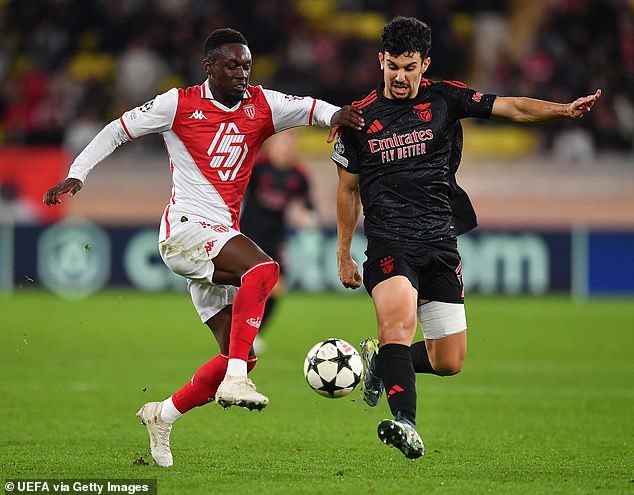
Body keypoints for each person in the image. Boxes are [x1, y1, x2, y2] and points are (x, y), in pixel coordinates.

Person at [44, 27, 363, 467]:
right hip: (185, 231)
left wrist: (340, 117)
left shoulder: (262, 104)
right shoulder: (178, 104)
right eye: (231, 65)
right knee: (264, 271)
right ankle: (234, 381)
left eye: (246, 65)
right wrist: (78, 172)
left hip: (214, 240)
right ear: (208, 66)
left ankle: (163, 414)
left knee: (243, 355)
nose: (241, 73)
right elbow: (117, 131)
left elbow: (311, 109)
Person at [332, 16, 601, 460]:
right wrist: (343, 253)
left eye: (410, 67)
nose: (400, 77)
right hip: (389, 243)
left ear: (425, 65)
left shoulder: (446, 98)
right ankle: (405, 423)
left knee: (448, 360)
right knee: (397, 324)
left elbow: (511, 107)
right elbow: (346, 189)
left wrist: (562, 110)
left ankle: (381, 362)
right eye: (393, 66)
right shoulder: (357, 119)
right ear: (380, 61)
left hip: (440, 242)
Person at [240, 130, 318, 351]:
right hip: (248, 234)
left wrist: (307, 217)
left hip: (275, 239)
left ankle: (254, 334)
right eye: (283, 143)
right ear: (271, 146)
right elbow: (238, 193)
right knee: (242, 287)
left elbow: (308, 206)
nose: (287, 147)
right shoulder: (258, 167)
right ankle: (239, 332)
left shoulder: (298, 175)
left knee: (277, 288)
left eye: (291, 144)